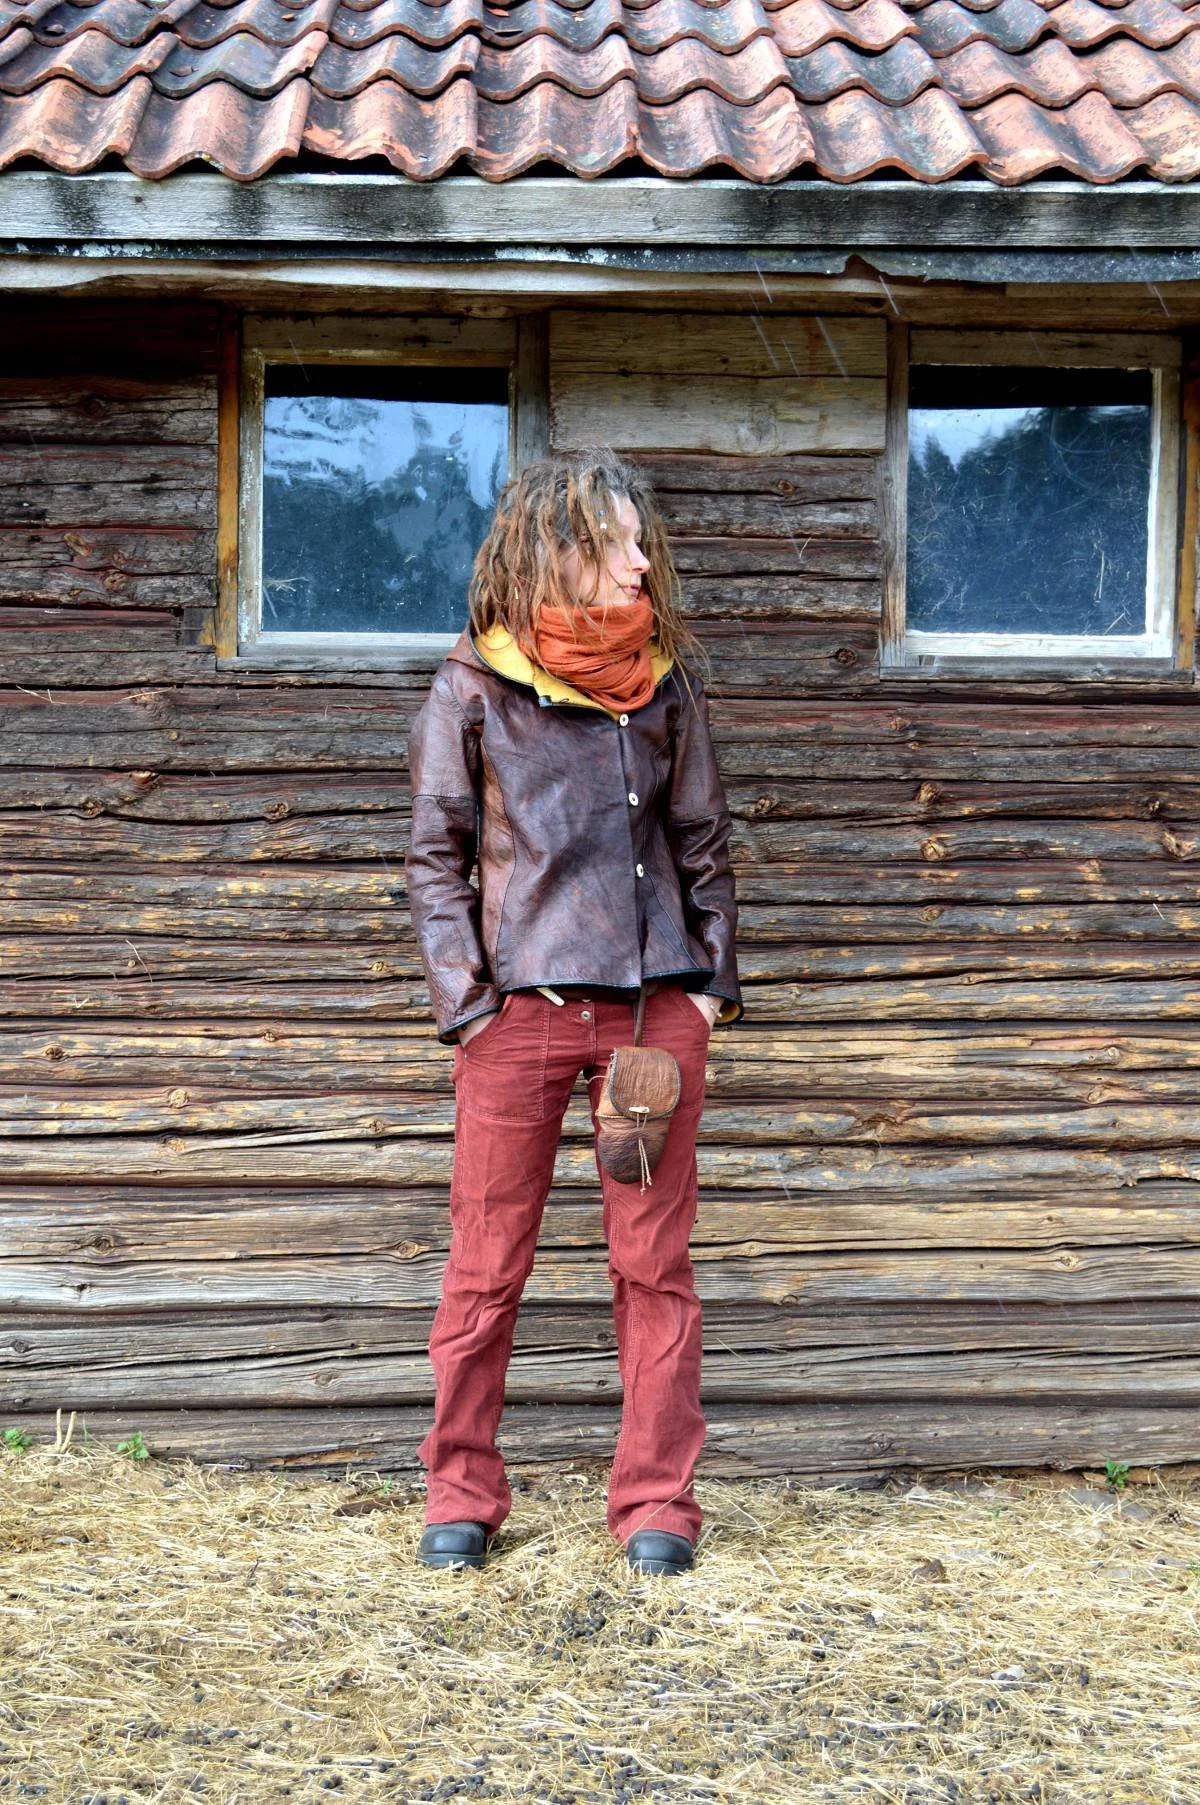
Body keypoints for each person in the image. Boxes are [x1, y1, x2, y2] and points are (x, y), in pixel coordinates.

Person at [404, 449, 743, 1577]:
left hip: (651, 1026)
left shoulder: (665, 681)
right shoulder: (475, 682)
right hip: (520, 1021)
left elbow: (702, 839)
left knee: (654, 1266)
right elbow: (436, 856)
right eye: (616, 541)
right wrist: (470, 1007)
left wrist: (707, 985)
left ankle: (657, 1506)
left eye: (641, 540)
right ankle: (461, 1492)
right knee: (486, 1262)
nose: (641, 561)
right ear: (556, 548)